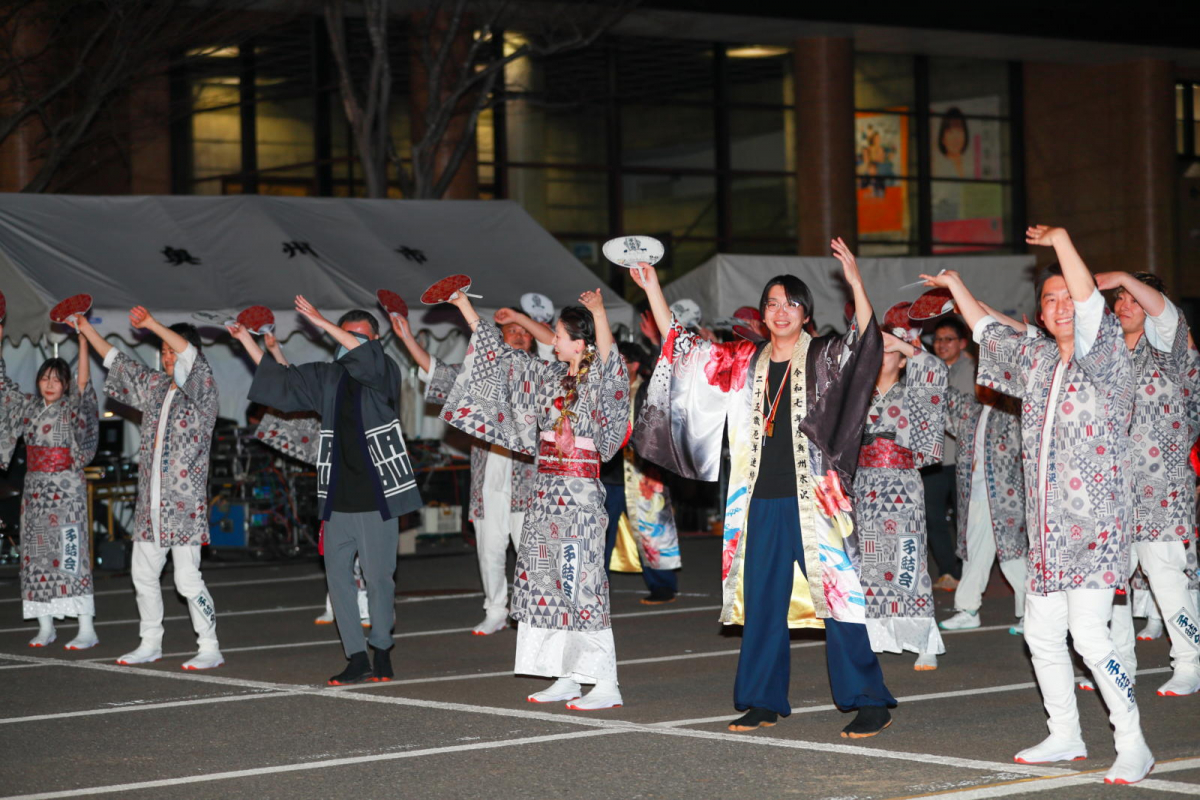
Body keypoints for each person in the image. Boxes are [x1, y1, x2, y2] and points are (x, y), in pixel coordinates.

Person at [631, 238, 897, 739]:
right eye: (772, 303)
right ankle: (761, 700)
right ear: (763, 312)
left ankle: (868, 701)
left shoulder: (822, 356)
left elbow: (865, 341)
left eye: (791, 303)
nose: (780, 312)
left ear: (805, 313)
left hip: (817, 501)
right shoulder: (743, 360)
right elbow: (684, 348)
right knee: (762, 604)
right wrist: (653, 288)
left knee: (841, 600)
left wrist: (856, 281)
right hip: (756, 501)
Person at [921, 225, 1153, 785]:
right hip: (1047, 533)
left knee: (1092, 640)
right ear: (1042, 316)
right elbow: (984, 329)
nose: (1058, 305)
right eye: (1047, 300)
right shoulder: (1037, 360)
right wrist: (955, 284)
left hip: (1095, 528)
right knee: (1041, 636)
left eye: (1066, 297)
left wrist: (1064, 242)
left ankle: (1134, 743)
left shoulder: (1106, 358)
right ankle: (1066, 733)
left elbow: (1090, 301)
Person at [435, 286, 630, 710]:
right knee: (548, 586)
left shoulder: (598, 377)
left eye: (558, 335)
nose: (552, 341)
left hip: (579, 503)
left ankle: (605, 682)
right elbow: (501, 358)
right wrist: (465, 306)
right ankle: (565, 676)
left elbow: (611, 362)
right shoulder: (547, 377)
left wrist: (598, 313)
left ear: (579, 343)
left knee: (583, 589)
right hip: (545, 499)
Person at [234, 299, 421, 685]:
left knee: (379, 577)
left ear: (376, 340)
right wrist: (248, 342)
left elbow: (366, 358)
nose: (349, 343)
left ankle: (382, 648)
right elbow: (283, 383)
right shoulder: (329, 376)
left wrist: (319, 321)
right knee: (338, 582)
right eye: (345, 335)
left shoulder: (384, 370)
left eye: (359, 337)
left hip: (378, 495)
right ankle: (356, 656)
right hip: (335, 496)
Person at [76, 309, 223, 670]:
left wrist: (153, 324)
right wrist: (83, 328)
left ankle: (210, 646)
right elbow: (115, 360)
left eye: (173, 350)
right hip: (149, 505)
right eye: (164, 352)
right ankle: (150, 642)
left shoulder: (202, 388)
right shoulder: (156, 387)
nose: (168, 356)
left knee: (187, 580)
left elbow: (189, 355)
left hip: (183, 505)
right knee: (142, 576)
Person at [393, 308, 541, 636]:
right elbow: (439, 373)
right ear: (499, 336)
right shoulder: (482, 373)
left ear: (533, 339)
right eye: (512, 330)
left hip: (528, 481)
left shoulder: (539, 372)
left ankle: (531, 614)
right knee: (489, 550)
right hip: (487, 480)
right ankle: (496, 610)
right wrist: (405, 337)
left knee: (530, 552)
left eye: (526, 332)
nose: (518, 336)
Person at [1100, 270, 1200, 697]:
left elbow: (1166, 314)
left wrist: (1123, 274)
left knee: (1166, 577)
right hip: (1113, 487)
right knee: (1110, 581)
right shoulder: (1106, 353)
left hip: (1163, 485)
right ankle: (1118, 664)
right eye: (1119, 298)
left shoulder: (1168, 348)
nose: (1125, 305)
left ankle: (1189, 664)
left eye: (1134, 298)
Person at [244, 331, 369, 628]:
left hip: (363, 482)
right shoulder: (330, 386)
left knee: (363, 548)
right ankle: (336, 603)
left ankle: (364, 605)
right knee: (334, 548)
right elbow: (294, 384)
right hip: (335, 481)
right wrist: (273, 350)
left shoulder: (374, 386)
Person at [0, 318, 99, 649]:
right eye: (45, 377)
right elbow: (3, 388)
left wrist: (83, 340)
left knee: (72, 555)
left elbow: (85, 387)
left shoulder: (72, 409)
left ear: (66, 384)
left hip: (66, 491)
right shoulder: (29, 408)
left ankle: (86, 627)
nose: (49, 384)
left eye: (57, 379)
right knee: (36, 557)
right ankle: (46, 625)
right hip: (36, 491)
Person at [855, 330, 947, 671]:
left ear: (904, 359)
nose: (882, 357)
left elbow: (936, 370)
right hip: (864, 486)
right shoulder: (857, 396)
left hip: (902, 486)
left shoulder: (914, 393)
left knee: (908, 563)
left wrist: (905, 344)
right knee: (871, 563)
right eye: (877, 351)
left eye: (889, 351)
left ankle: (923, 640)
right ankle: (877, 635)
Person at [938, 381, 1027, 635]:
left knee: (1013, 558)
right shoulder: (970, 411)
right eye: (978, 382)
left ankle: (1031, 613)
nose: (982, 387)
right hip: (975, 498)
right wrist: (914, 353)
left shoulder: (1014, 414)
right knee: (974, 554)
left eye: (988, 382)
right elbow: (945, 392)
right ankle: (967, 610)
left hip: (1008, 501)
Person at [601, 340, 681, 604]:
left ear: (634, 365)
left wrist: (658, 340)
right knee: (598, 535)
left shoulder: (646, 390)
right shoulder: (602, 390)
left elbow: (666, 374)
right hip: (608, 476)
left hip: (643, 474)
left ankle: (662, 586)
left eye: (621, 360)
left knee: (653, 531)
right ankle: (595, 588)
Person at [927, 316, 974, 591]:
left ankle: (969, 571)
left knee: (963, 518)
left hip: (964, 458)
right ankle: (948, 570)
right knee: (932, 516)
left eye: (948, 339)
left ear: (962, 343)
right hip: (933, 458)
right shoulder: (926, 370)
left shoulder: (974, 369)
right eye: (938, 339)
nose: (942, 344)